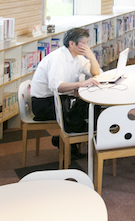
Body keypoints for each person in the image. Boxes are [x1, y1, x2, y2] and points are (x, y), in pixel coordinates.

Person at [29, 28, 102, 156]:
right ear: (71, 43)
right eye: (83, 43)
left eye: (87, 43)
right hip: (44, 103)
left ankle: (73, 139)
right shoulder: (58, 58)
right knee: (83, 112)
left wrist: (91, 57)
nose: (86, 47)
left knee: (92, 106)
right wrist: (80, 84)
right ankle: (71, 139)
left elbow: (95, 73)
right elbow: (56, 86)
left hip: (60, 98)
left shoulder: (78, 57)